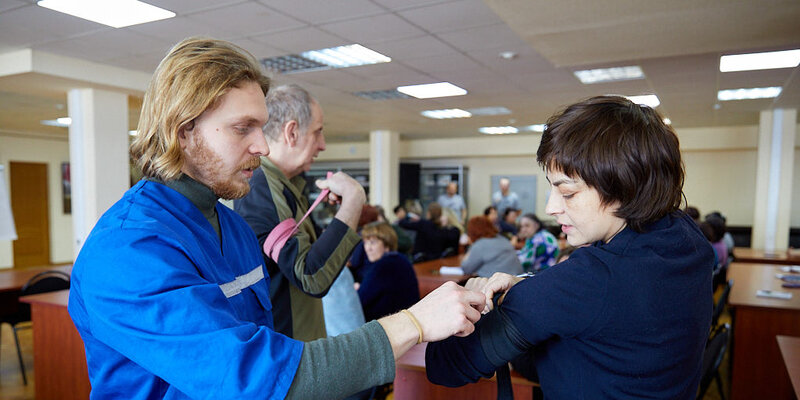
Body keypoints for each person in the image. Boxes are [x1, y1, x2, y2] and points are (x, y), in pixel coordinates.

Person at [68, 37, 486, 400]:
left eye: (262, 127)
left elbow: (268, 342)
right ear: (183, 130)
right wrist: (413, 322)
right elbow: (254, 376)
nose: (263, 146)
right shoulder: (127, 249)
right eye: (243, 128)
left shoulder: (232, 227)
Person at [426, 95, 715, 400]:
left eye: (567, 193)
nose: (551, 207)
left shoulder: (589, 279)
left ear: (624, 186)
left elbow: (444, 365)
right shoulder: (688, 239)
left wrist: (474, 306)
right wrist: (530, 286)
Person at [234, 84, 362, 341]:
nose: (322, 145)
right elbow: (312, 276)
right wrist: (353, 200)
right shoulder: (262, 187)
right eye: (317, 132)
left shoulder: (284, 186)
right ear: (291, 132)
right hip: (286, 351)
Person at [357, 222, 420, 322]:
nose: (368, 248)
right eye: (365, 243)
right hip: (405, 321)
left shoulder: (384, 265)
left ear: (387, 244)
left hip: (389, 326)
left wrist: (356, 290)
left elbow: (359, 301)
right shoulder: (400, 259)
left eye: (372, 243)